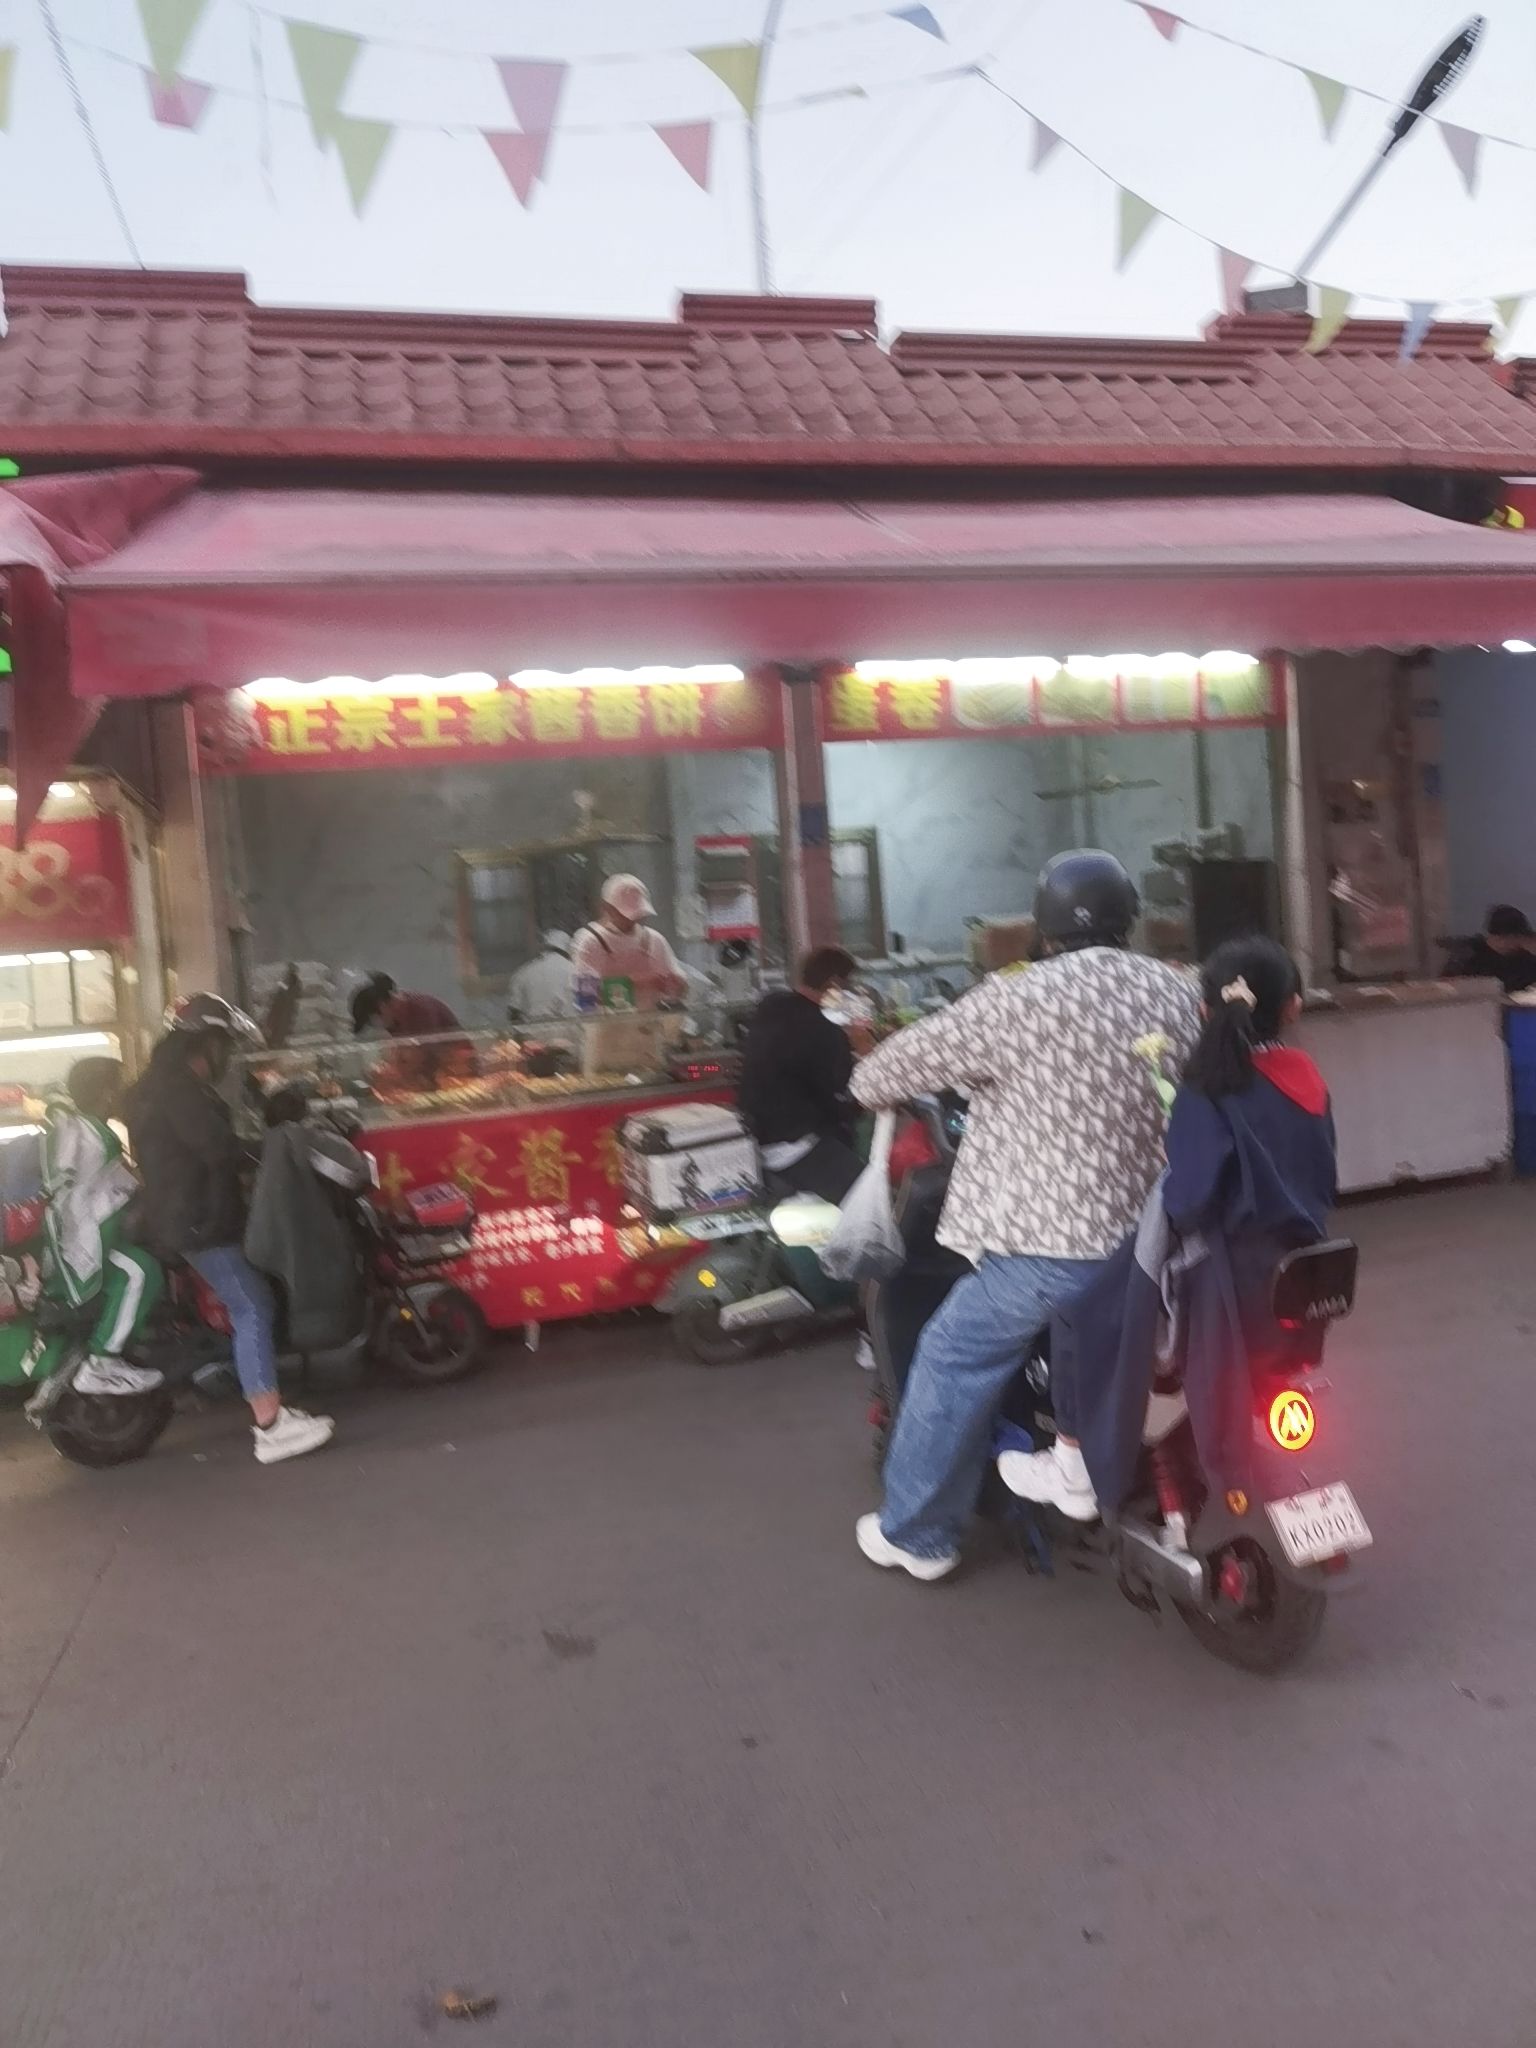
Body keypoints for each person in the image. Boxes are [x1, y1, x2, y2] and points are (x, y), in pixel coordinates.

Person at [849, 849, 1201, 1581]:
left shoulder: (1016, 998)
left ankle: (919, 1534)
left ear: (1044, 927)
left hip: (1056, 1251)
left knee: (952, 1353)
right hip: (1159, 1240)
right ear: (1128, 919)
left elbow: (879, 1076)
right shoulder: (1173, 989)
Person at [1000, 934, 1338, 1520]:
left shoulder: (1210, 1092)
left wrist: (1174, 1160)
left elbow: (1187, 1204)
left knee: (1077, 1315)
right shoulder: (1310, 1084)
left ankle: (1073, 1464)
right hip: (1293, 1283)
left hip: (1221, 1290)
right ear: (1293, 1008)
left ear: (1204, 1010)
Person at [124, 994, 335, 1465]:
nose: (227, 1056)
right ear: (206, 1044)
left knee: (251, 1301)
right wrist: (271, 1146)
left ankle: (267, 1403)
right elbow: (218, 1148)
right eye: (225, 1045)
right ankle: (271, 1426)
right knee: (252, 1305)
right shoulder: (178, 1090)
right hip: (198, 1221)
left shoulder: (162, 1086)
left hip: (189, 1215)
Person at [30, 1058, 165, 1398]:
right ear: (107, 1093)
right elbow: (117, 1187)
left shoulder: (84, 1130)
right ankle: (102, 1362)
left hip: (81, 1239)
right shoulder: (92, 1136)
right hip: (82, 1244)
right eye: (122, 1085)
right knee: (140, 1272)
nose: (127, 1092)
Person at [737, 946, 865, 1203]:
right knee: (871, 1197)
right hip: (798, 1145)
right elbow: (840, 1096)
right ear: (834, 985)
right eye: (849, 987)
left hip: (757, 1138)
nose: (851, 995)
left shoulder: (771, 1006)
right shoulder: (825, 1030)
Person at [570, 875, 687, 1009]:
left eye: (638, 914)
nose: (632, 920)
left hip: (653, 1020)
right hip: (610, 1022)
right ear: (608, 909)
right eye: (625, 915)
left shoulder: (654, 940)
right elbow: (585, 998)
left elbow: (677, 987)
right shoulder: (591, 943)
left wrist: (677, 986)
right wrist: (640, 985)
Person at [351, 972, 475, 1092]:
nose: (377, 1027)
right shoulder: (394, 1020)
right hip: (433, 1083)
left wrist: (394, 1076)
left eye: (373, 1022)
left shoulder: (421, 1010)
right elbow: (402, 1057)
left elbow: (426, 1059)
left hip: (458, 1079)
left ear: (382, 1006)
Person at [1447, 904, 1536, 995]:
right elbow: (1446, 987)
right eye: (1511, 937)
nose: (1515, 942)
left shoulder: (1527, 961)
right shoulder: (1468, 956)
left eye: (1518, 937)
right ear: (1496, 936)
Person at [507, 930, 576, 1022]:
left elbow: (514, 1013)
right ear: (568, 949)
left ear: (545, 948)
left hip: (531, 1029)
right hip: (567, 1028)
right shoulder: (574, 971)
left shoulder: (523, 972)